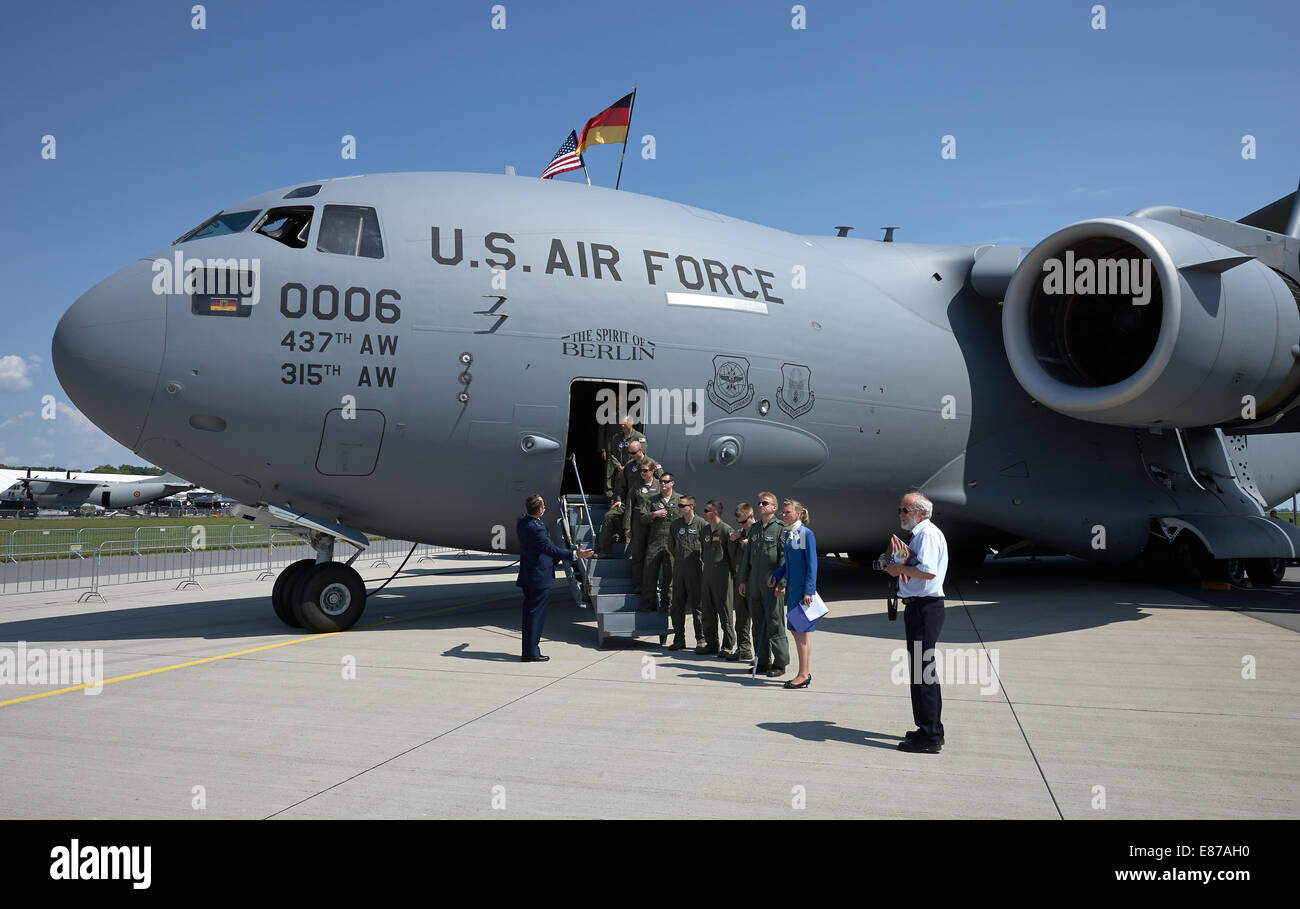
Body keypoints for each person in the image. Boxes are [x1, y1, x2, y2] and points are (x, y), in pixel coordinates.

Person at [883, 492, 949, 753]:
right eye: (900, 509)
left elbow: (928, 570)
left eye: (906, 510)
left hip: (925, 608)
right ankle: (928, 727)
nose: (901, 514)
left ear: (921, 513)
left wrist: (898, 570)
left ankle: (930, 735)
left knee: (923, 673)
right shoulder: (921, 534)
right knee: (921, 671)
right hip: (919, 608)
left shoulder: (927, 534)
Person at [516, 493, 592, 662]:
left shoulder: (522, 521)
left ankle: (527, 650)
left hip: (528, 575)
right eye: (543, 505)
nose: (545, 507)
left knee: (528, 615)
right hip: (539, 577)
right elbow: (550, 550)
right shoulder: (537, 528)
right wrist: (575, 554)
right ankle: (532, 652)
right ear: (540, 511)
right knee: (536, 616)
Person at [737, 492, 787, 677]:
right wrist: (743, 581)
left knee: (774, 623)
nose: (760, 506)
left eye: (764, 503)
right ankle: (763, 661)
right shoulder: (756, 529)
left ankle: (780, 663)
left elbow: (784, 558)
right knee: (758, 623)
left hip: (771, 584)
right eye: (759, 503)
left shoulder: (781, 529)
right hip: (754, 585)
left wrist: (781, 583)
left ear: (774, 507)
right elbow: (746, 559)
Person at [769, 500, 816, 688]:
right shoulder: (790, 534)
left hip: (801, 591)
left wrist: (809, 591)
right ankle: (804, 673)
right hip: (794, 590)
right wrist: (777, 575)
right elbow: (789, 563)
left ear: (797, 514)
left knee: (801, 632)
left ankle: (804, 674)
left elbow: (812, 564)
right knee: (798, 631)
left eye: (787, 512)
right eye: (783, 512)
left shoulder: (805, 534)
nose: (784, 515)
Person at [637, 467, 680, 614]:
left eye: (666, 482)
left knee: (670, 577)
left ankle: (666, 605)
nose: (662, 484)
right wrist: (654, 514)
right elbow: (642, 518)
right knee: (649, 574)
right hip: (655, 541)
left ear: (672, 483)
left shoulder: (680, 500)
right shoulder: (652, 500)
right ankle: (648, 604)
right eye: (661, 481)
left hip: (671, 543)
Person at [700, 500, 739, 657]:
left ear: (715, 512)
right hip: (708, 574)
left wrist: (730, 573)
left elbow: (733, 556)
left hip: (722, 575)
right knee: (708, 611)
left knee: (724, 611)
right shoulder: (705, 530)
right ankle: (711, 643)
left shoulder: (725, 530)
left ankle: (727, 645)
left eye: (707, 510)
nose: (704, 513)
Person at [669, 495, 708, 650]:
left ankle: (701, 639)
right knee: (677, 605)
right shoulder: (675, 525)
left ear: (691, 507)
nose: (678, 508)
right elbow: (671, 546)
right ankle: (679, 639)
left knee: (698, 606)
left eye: (682, 506)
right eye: (678, 505)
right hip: (679, 570)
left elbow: (707, 548)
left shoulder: (702, 525)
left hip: (696, 571)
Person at [727, 503, 755, 662]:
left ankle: (761, 654)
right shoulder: (741, 533)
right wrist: (734, 539)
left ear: (751, 517)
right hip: (740, 578)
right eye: (739, 523)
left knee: (756, 618)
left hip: (754, 579)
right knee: (741, 617)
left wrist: (748, 543)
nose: (741, 525)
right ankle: (744, 649)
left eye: (744, 522)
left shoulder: (758, 532)